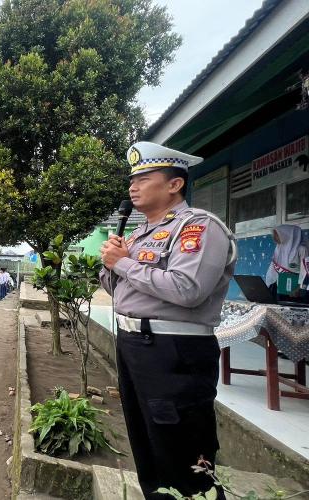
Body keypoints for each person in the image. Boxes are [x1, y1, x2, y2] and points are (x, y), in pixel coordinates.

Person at [99, 141, 236, 499]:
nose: (133, 186)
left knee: (181, 442)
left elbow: (187, 289)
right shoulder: (140, 232)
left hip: (174, 350)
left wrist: (125, 263)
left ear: (174, 184)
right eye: (132, 179)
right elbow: (124, 291)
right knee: (147, 438)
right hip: (135, 345)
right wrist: (112, 262)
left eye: (144, 177)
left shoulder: (198, 228)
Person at [265, 225, 306, 300]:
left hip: (295, 290)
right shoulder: (278, 248)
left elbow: (306, 271)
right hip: (280, 286)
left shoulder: (302, 249)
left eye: (277, 235)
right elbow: (273, 269)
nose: (274, 237)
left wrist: (299, 288)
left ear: (287, 235)